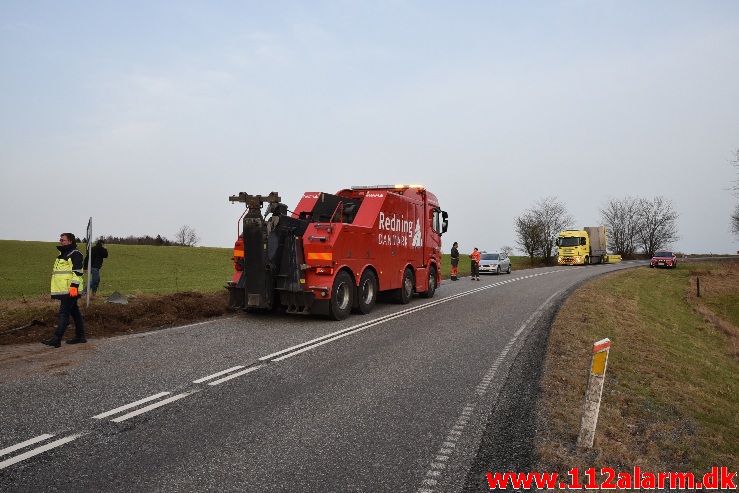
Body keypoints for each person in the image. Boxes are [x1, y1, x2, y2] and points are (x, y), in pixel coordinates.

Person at [42, 233, 87, 347]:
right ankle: (80, 336)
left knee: (64, 313)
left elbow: (77, 272)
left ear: (70, 241)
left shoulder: (75, 254)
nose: (60, 241)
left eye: (63, 240)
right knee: (74, 312)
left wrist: (74, 287)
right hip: (65, 289)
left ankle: (57, 339)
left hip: (70, 289)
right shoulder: (62, 254)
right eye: (60, 239)